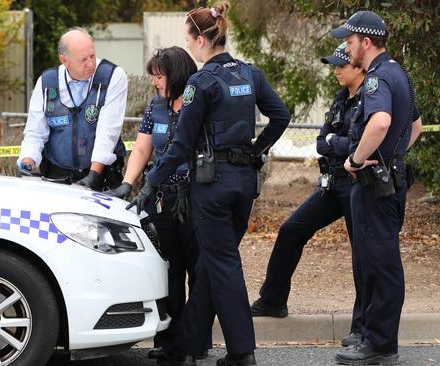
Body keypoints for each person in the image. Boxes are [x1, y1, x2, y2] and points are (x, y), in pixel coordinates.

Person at [127, 3, 291, 365]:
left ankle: (241, 352)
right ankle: (187, 345)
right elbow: (281, 116)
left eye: (188, 38)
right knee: (213, 267)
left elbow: (180, 146)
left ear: (200, 40)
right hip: (244, 183)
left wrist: (148, 185)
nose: (189, 45)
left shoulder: (200, 84)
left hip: (211, 185)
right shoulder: (250, 74)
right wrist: (256, 150)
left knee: (222, 265)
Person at [249, 41, 366, 346]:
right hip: (332, 183)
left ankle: (363, 326)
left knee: (363, 255)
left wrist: (335, 142)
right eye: (335, 66)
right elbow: (320, 143)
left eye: (342, 65)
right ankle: (273, 300)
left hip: (358, 184)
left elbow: (354, 144)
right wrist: (335, 141)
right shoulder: (341, 98)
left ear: (358, 66)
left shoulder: (369, 99)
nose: (336, 70)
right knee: (290, 231)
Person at [107, 46, 210, 360]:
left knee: (198, 270)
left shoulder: (200, 104)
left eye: (159, 75)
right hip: (161, 197)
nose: (154, 81)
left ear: (177, 74)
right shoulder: (156, 106)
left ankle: (196, 342)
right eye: (153, 76)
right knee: (168, 269)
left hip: (196, 199)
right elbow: (141, 149)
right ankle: (168, 341)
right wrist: (128, 183)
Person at [331, 10, 423, 365]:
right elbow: (415, 126)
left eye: (350, 41)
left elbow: (381, 121)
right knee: (378, 260)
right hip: (390, 181)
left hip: (375, 185)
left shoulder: (376, 79)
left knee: (380, 263)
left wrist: (356, 159)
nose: (346, 47)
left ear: (365, 42)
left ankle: (381, 345)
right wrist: (393, 158)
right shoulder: (399, 73)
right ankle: (374, 337)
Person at [17, 27, 127, 190]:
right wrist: (26, 162)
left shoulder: (112, 76)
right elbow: (35, 132)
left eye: (92, 56)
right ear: (64, 60)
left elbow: (108, 132)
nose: (90, 64)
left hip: (100, 175)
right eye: (83, 60)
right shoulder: (47, 82)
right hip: (56, 176)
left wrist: (94, 175)